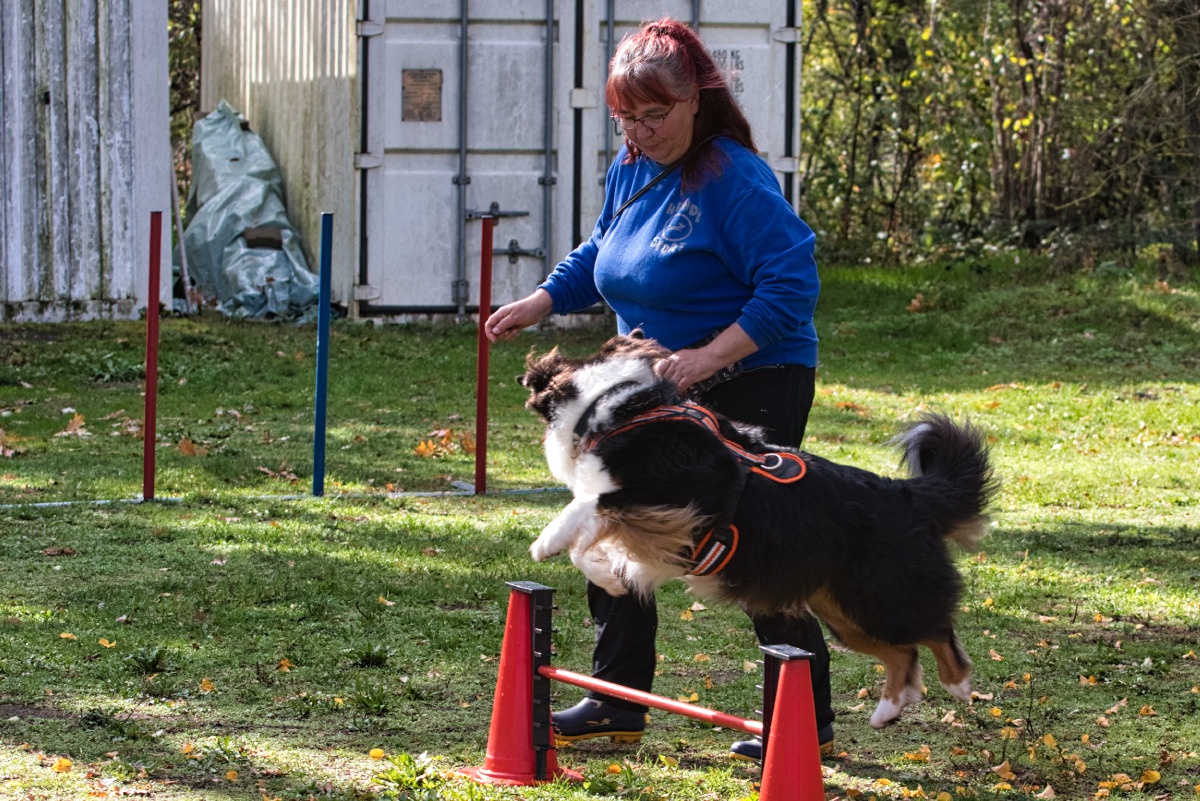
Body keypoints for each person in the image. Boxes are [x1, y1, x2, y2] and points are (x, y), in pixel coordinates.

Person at [485, 17, 833, 761]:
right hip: (658, 385)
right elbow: (602, 252)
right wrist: (542, 300)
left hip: (755, 374)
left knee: (749, 542)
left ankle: (805, 719)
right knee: (609, 514)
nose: (642, 133)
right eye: (628, 118)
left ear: (696, 99)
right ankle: (615, 702)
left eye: (656, 115)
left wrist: (706, 358)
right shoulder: (633, 167)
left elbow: (791, 285)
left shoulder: (733, 176)